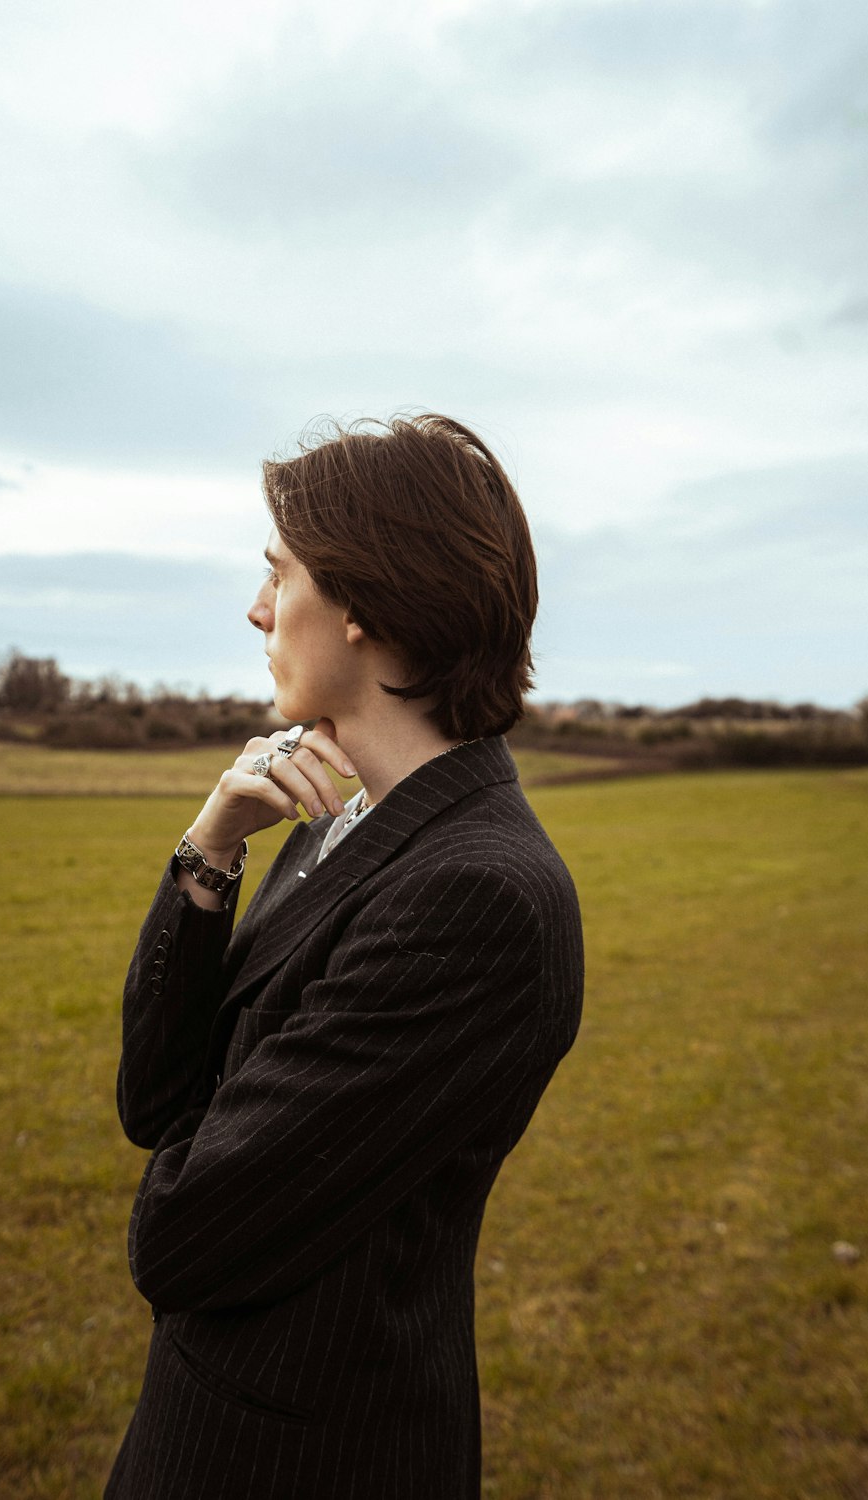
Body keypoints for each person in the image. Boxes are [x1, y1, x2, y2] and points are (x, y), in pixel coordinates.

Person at [104, 413, 584, 1500]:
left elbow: (180, 1239)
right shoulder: (336, 815)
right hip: (203, 1429)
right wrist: (209, 851)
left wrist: (206, 1136)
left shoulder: (478, 898)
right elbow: (154, 1099)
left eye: (280, 573)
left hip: (303, 1456)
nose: (257, 608)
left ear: (363, 603)